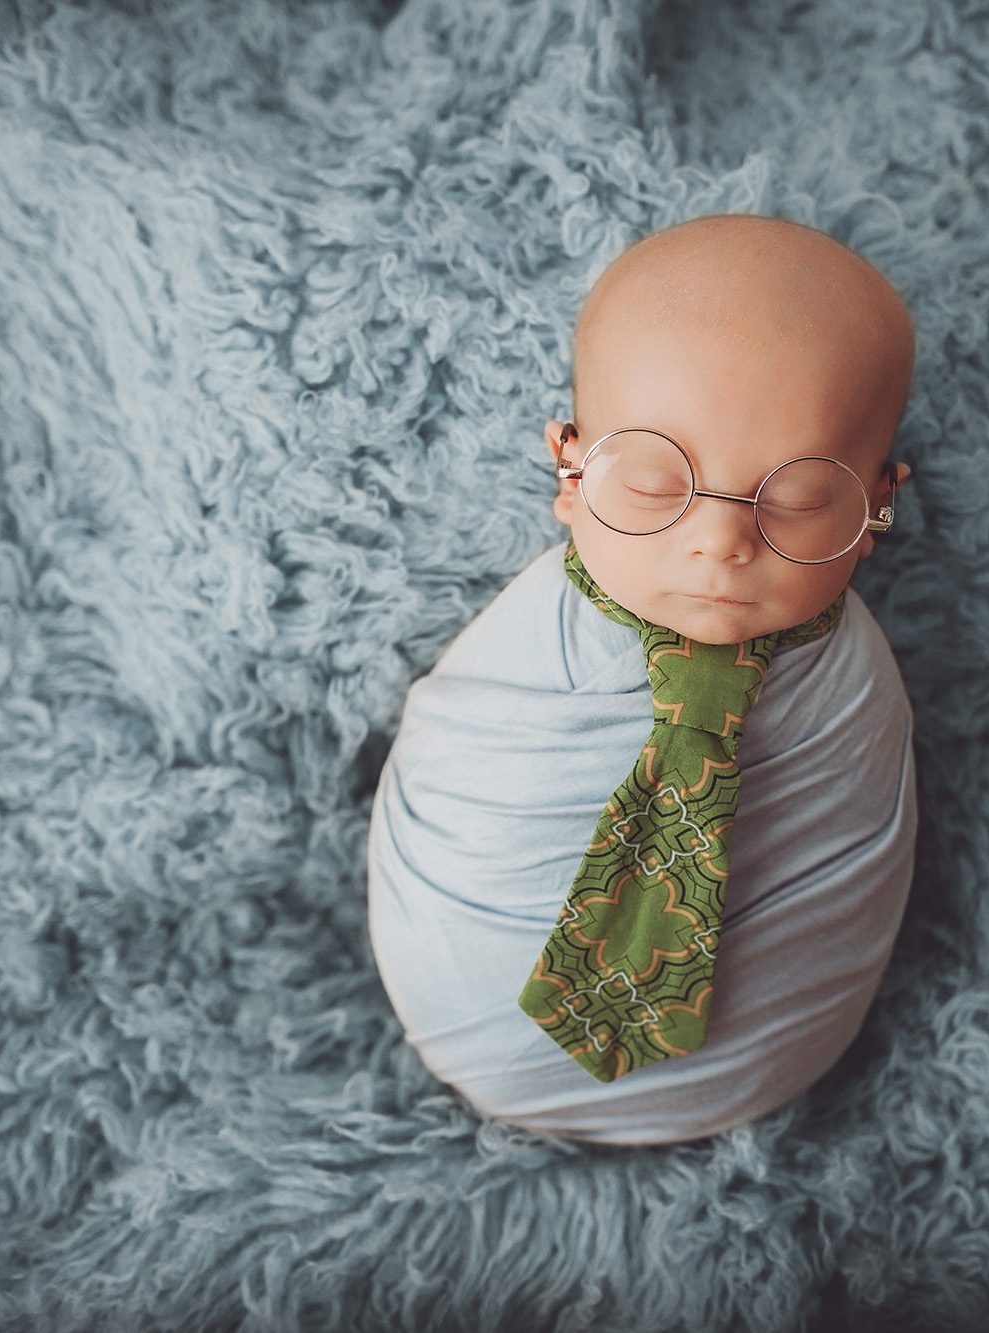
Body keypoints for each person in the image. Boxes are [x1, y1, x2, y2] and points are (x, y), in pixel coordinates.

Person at [365, 212, 920, 1145]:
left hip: (774, 1065)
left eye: (797, 498)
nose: (721, 539)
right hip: (472, 1035)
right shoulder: (525, 658)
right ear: (571, 469)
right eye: (658, 486)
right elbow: (455, 783)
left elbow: (860, 845)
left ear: (878, 504)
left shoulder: (851, 691)